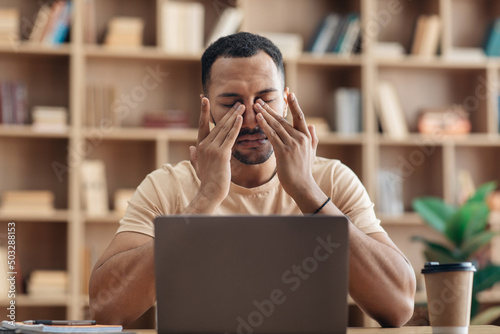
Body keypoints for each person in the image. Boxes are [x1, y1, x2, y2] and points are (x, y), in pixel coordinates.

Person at [89, 32, 416, 327]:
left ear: (286, 102)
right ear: (206, 108)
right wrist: (205, 199)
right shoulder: (166, 186)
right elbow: (106, 309)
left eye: (265, 100)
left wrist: (306, 191)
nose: (249, 118)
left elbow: (398, 306)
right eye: (231, 103)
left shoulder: (331, 179)